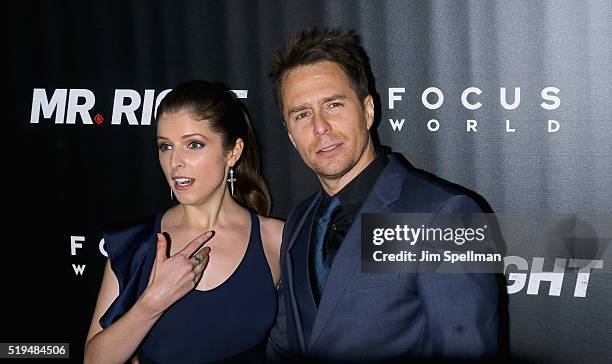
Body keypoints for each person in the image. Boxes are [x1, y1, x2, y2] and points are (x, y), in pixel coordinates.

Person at [266, 28, 499, 362]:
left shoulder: (445, 215)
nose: (320, 127)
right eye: (302, 114)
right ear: (291, 135)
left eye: (333, 104)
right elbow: (286, 343)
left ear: (368, 110)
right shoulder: (299, 221)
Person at [84, 80, 283, 363]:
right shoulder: (136, 243)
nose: (175, 161)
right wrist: (154, 302)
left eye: (193, 144)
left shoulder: (276, 240)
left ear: (233, 152)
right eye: (166, 147)